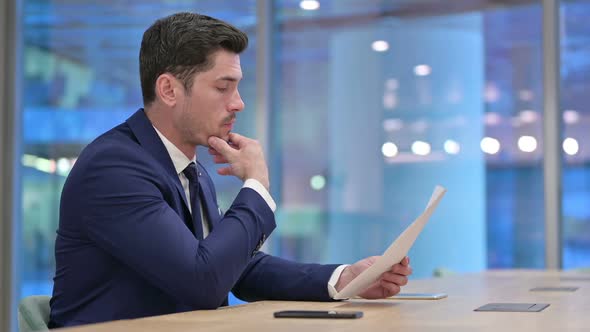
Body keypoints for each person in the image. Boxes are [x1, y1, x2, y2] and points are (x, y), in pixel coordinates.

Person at [48, 12, 412, 328]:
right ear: (169, 89)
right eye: (224, 87)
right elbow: (203, 280)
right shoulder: (113, 168)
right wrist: (256, 185)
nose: (238, 103)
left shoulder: (190, 169)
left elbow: (236, 268)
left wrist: (344, 278)